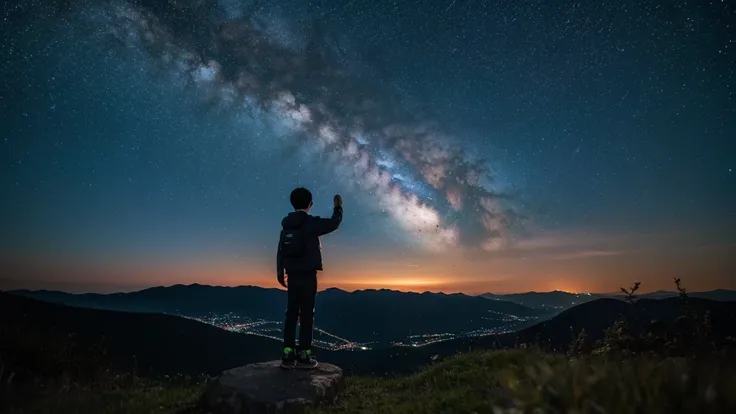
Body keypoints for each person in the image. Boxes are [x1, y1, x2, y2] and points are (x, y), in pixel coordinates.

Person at [277, 187, 343, 369]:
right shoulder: (311, 223)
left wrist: (280, 273)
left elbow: (280, 250)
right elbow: (333, 224)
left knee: (291, 313)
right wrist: (338, 208)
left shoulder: (287, 224)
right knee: (307, 314)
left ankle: (287, 354)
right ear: (310, 204)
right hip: (307, 275)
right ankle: (304, 354)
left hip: (292, 275)